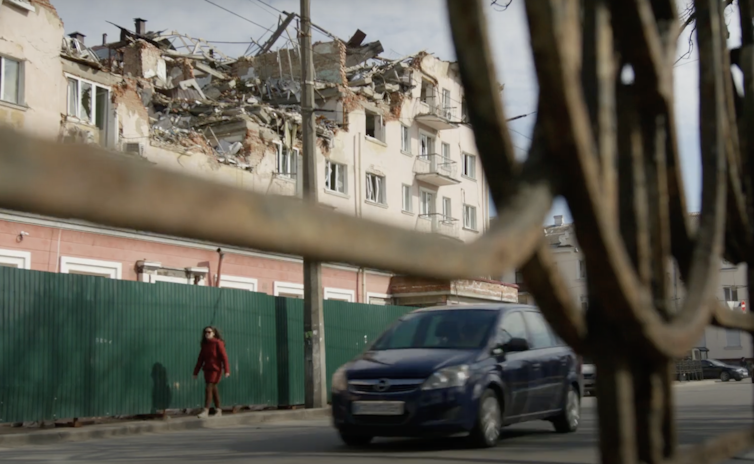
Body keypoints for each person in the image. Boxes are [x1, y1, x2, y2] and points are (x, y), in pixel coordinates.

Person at [193, 326, 230, 419]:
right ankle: (218, 410)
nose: (207, 333)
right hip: (207, 370)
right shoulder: (205, 345)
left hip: (216, 370)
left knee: (208, 388)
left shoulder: (218, 343)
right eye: (205, 332)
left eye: (209, 332)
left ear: (213, 333)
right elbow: (200, 359)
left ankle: (206, 411)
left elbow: (224, 357)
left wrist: (227, 370)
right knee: (214, 390)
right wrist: (195, 372)